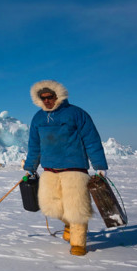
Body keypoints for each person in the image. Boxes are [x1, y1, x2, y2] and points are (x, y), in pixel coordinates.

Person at [23, 80, 108, 256]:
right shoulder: (38, 118)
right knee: (52, 207)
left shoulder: (76, 114)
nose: (47, 100)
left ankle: (78, 244)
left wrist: (99, 166)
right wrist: (30, 167)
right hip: (50, 171)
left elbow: (91, 140)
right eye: (43, 97)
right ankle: (68, 224)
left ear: (58, 95)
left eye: (50, 97)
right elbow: (34, 145)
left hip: (74, 170)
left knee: (77, 209)